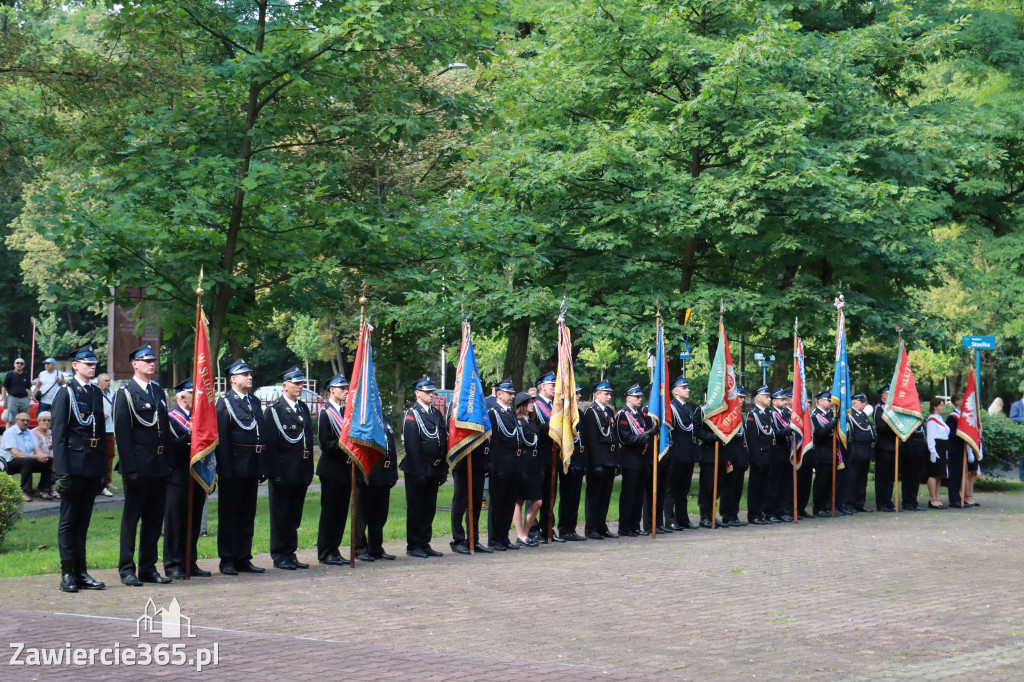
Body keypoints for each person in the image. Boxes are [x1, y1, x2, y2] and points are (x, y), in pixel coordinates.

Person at [113, 344, 173, 586]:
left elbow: (165, 430)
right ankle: (127, 568)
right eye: (146, 360)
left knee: (154, 519)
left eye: (153, 360)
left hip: (159, 464)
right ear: (134, 364)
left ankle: (148, 567)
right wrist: (130, 469)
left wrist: (168, 462)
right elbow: (123, 434)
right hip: (138, 463)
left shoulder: (158, 391)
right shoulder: (126, 393)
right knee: (131, 519)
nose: (151, 364)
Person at [50, 344, 106, 593]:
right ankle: (67, 573)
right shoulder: (65, 393)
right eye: (87, 363)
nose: (92, 366)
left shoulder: (94, 392)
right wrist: (62, 472)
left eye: (94, 363)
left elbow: (100, 433)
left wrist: (103, 469)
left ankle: (81, 572)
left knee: (83, 521)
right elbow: (59, 435)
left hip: (92, 464)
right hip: (73, 465)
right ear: (75, 365)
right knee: (68, 521)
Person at [215, 358, 269, 575]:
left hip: (252, 465)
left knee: (247, 514)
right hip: (235, 466)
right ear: (233, 379)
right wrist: (225, 469)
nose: (249, 377)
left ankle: (243, 557)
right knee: (230, 515)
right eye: (244, 374)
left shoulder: (254, 402)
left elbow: (261, 433)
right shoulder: (225, 402)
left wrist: (263, 463)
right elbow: (223, 438)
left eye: (250, 374)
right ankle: (227, 559)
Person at [263, 366, 315, 570]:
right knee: (280, 514)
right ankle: (279, 554)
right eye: (296, 383)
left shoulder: (302, 409)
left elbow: (308, 441)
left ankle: (290, 552)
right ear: (284, 385)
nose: (300, 386)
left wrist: (309, 468)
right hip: (284, 469)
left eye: (302, 383)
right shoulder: (274, 411)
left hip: (301, 468)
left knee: (294, 515)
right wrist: (274, 472)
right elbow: (271, 444)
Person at [163, 378, 210, 579]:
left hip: (197, 476)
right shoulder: (171, 418)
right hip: (178, 476)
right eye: (194, 394)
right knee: (175, 523)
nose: (199, 398)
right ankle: (173, 564)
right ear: (182, 396)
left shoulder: (199, 419)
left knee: (194, 521)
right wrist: (190, 436)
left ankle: (189, 561)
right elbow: (170, 446)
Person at [401, 375, 448, 558]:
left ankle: (424, 542)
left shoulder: (436, 413)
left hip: (434, 469)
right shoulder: (412, 414)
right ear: (417, 393)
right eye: (427, 391)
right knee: (416, 508)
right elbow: (411, 446)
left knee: (429, 508)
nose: (431, 394)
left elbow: (442, 441)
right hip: (418, 469)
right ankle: (414, 545)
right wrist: (419, 471)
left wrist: (443, 468)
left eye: (432, 391)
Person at [316, 373, 352, 565]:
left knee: (341, 513)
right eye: (342, 388)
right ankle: (325, 551)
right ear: (332, 390)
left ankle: (335, 549)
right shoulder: (325, 413)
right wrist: (345, 444)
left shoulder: (347, 412)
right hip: (331, 469)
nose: (346, 391)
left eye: (346, 388)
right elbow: (325, 443)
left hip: (346, 470)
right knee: (330, 513)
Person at [448, 399, 493, 554]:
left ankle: (473, 539)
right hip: (463, 463)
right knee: (460, 503)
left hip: (479, 464)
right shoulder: (457, 405)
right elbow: (455, 433)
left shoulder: (479, 404)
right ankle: (458, 539)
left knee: (476, 503)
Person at [355, 413, 399, 561]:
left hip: (385, 473)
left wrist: (393, 472)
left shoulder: (384, 417)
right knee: (362, 515)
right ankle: (360, 549)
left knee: (379, 515)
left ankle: (376, 548)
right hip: (369, 472)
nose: (377, 398)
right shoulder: (362, 417)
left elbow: (391, 445)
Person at [487, 378, 521, 550]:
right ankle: (494, 538)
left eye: (512, 393)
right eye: (509, 393)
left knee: (509, 502)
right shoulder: (493, 413)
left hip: (513, 463)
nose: (512, 396)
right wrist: (496, 465)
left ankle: (504, 537)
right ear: (499, 394)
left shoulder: (511, 413)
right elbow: (494, 443)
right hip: (501, 463)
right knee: (498, 503)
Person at [531, 373, 565, 543]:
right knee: (537, 493)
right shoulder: (535, 406)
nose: (554, 387)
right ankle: (533, 529)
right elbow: (533, 428)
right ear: (542, 386)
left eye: (555, 384)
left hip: (554, 455)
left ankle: (548, 528)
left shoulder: (556, 406)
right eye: (551, 384)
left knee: (551, 492)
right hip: (541, 454)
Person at [583, 380, 618, 539]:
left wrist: (616, 460)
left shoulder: (610, 412)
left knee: (605, 495)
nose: (609, 397)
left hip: (609, 458)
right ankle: (591, 528)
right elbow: (591, 439)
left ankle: (601, 525)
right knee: (594, 495)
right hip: (598, 460)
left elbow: (613, 437)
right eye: (606, 394)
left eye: (610, 394)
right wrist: (595, 462)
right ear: (597, 394)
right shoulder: (591, 412)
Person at [616, 383, 651, 536]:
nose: (639, 399)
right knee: (629, 495)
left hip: (642, 459)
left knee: (638, 496)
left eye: (641, 397)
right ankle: (625, 527)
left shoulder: (640, 415)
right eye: (636, 397)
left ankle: (635, 526)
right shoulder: (623, 415)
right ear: (628, 398)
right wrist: (646, 435)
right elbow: (626, 438)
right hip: (630, 458)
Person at [666, 377, 698, 530]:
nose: (688, 389)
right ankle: (670, 519)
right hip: (677, 452)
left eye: (687, 387)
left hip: (688, 453)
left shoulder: (687, 407)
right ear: (675, 391)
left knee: (684, 489)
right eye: (684, 387)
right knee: (672, 488)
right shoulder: (672, 408)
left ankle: (683, 518)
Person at [556, 386, 588, 541]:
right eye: (576, 393)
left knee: (575, 497)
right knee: (567, 496)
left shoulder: (579, 414)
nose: (579, 395)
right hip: (569, 459)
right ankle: (564, 528)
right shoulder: (565, 414)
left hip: (580, 459)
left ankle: (571, 528)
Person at [693, 395, 729, 529]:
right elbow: (696, 430)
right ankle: (704, 516)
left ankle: (712, 514)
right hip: (708, 453)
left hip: (721, 454)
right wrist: (711, 437)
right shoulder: (701, 410)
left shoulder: (723, 411)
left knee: (718, 486)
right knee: (707, 486)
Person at [513, 392, 543, 546]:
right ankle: (521, 534)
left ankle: (524, 532)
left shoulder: (533, 423)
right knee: (519, 500)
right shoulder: (516, 422)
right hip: (522, 463)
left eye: (532, 402)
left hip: (534, 464)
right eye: (529, 402)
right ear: (522, 405)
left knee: (538, 502)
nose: (532, 405)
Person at [1, 412, 52, 501]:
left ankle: (42, 490)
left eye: (27, 420)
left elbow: (37, 450)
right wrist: (36, 457)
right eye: (23, 420)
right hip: (10, 461)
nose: (25, 422)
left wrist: (42, 456)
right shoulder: (9, 433)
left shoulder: (29, 433)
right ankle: (24, 491)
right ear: (16, 421)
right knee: (27, 461)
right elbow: (15, 454)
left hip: (26, 460)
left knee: (49, 460)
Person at [745, 386, 777, 525]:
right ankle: (754, 514)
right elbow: (752, 439)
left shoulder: (768, 414)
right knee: (756, 486)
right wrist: (755, 458)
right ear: (758, 398)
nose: (769, 399)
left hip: (768, 455)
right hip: (759, 456)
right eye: (766, 396)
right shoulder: (753, 415)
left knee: (765, 486)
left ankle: (763, 512)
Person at [844, 393, 876, 514]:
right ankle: (849, 504)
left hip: (865, 450)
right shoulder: (850, 415)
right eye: (861, 402)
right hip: (856, 450)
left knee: (862, 479)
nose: (864, 404)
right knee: (853, 479)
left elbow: (870, 431)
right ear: (854, 403)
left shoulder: (863, 415)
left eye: (864, 401)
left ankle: (859, 503)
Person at [768, 388, 795, 522]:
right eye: (782, 399)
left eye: (786, 399)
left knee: (786, 484)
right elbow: (775, 434)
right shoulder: (771, 414)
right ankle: (773, 511)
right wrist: (790, 430)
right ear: (774, 401)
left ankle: (784, 510)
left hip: (787, 451)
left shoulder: (786, 414)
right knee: (775, 484)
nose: (785, 401)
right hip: (777, 451)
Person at [811, 391, 839, 517]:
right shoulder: (814, 416)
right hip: (821, 452)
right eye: (828, 400)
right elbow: (817, 435)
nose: (830, 402)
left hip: (831, 453)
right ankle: (819, 507)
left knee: (829, 482)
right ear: (820, 401)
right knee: (821, 482)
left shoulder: (829, 414)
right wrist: (830, 425)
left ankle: (828, 505)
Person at [874, 385, 897, 512]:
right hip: (884, 446)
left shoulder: (893, 408)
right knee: (882, 476)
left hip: (894, 446)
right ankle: (881, 502)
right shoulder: (879, 408)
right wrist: (891, 418)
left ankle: (888, 500)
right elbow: (880, 428)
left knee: (890, 477)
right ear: (883, 395)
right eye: (888, 394)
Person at [925, 397, 949, 509]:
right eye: (941, 405)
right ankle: (932, 499)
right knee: (934, 474)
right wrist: (932, 451)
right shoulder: (932, 419)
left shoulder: (940, 418)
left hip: (943, 447)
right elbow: (930, 436)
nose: (943, 407)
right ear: (935, 407)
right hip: (936, 447)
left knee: (939, 475)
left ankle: (938, 498)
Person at [96, 373, 116, 497]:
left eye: (109, 380)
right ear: (99, 382)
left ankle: (108, 481)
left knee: (110, 455)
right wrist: (100, 414)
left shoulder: (113, 394)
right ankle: (99, 482)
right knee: (99, 457)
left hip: (110, 428)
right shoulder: (95, 393)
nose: (108, 383)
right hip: (99, 429)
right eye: (105, 380)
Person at [945, 393, 967, 509]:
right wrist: (962, 436)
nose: (964, 401)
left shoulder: (962, 415)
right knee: (954, 475)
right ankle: (953, 499)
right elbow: (950, 433)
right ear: (956, 402)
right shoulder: (952, 416)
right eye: (962, 399)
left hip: (960, 448)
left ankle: (958, 498)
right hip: (954, 448)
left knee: (959, 474)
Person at [30, 411, 57, 499]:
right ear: (38, 421)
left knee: (55, 460)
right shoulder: (33, 433)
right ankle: (49, 488)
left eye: (49, 420)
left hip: (50, 458)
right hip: (35, 458)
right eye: (44, 420)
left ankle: (49, 488)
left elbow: (55, 447)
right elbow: (36, 449)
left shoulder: (52, 433)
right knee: (52, 461)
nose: (46, 422)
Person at [3, 358, 32, 428]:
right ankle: (8, 437)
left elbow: (29, 388)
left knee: (25, 419)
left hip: (24, 399)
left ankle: (23, 435)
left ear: (24, 365)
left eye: (21, 363)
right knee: (10, 419)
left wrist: (29, 398)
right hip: (12, 398)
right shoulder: (9, 374)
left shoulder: (26, 374)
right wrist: (5, 400)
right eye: (17, 363)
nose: (19, 364)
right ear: (14, 364)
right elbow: (4, 388)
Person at [1009, 392, 1024, 482]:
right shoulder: (1016, 405)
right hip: (1020, 434)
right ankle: (1022, 478)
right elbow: (1012, 418)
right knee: (1022, 457)